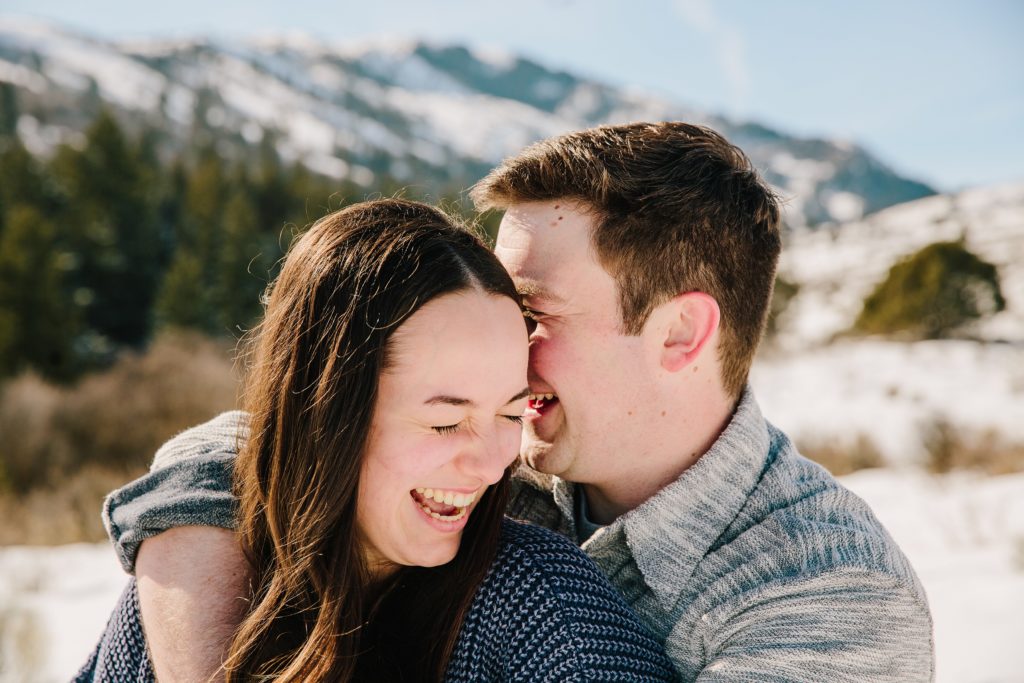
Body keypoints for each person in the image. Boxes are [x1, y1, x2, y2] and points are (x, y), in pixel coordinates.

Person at [97, 122, 935, 681]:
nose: (506, 353)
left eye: (535, 315)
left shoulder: (826, 596)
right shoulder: (515, 462)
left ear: (680, 333)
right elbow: (275, 437)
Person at [76, 199, 678, 682]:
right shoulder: (192, 594)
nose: (494, 465)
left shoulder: (545, 613)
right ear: (328, 412)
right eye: (446, 421)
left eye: (510, 413)